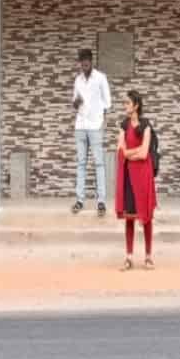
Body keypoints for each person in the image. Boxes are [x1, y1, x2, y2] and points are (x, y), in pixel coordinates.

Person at [115, 90, 157, 270]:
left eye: (127, 103)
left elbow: (144, 152)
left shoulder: (146, 126)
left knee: (146, 217)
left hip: (143, 175)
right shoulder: (123, 126)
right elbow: (120, 151)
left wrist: (129, 153)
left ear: (136, 106)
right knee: (129, 217)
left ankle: (148, 256)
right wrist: (133, 152)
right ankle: (129, 257)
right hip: (128, 175)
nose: (125, 106)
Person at [71, 48, 111, 216]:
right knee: (81, 163)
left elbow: (108, 102)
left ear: (91, 61)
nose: (84, 63)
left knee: (99, 163)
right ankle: (80, 200)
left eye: (87, 60)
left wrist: (103, 123)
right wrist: (76, 102)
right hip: (80, 125)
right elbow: (74, 103)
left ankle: (101, 201)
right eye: (82, 61)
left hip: (95, 126)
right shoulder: (78, 80)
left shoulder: (100, 78)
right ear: (80, 62)